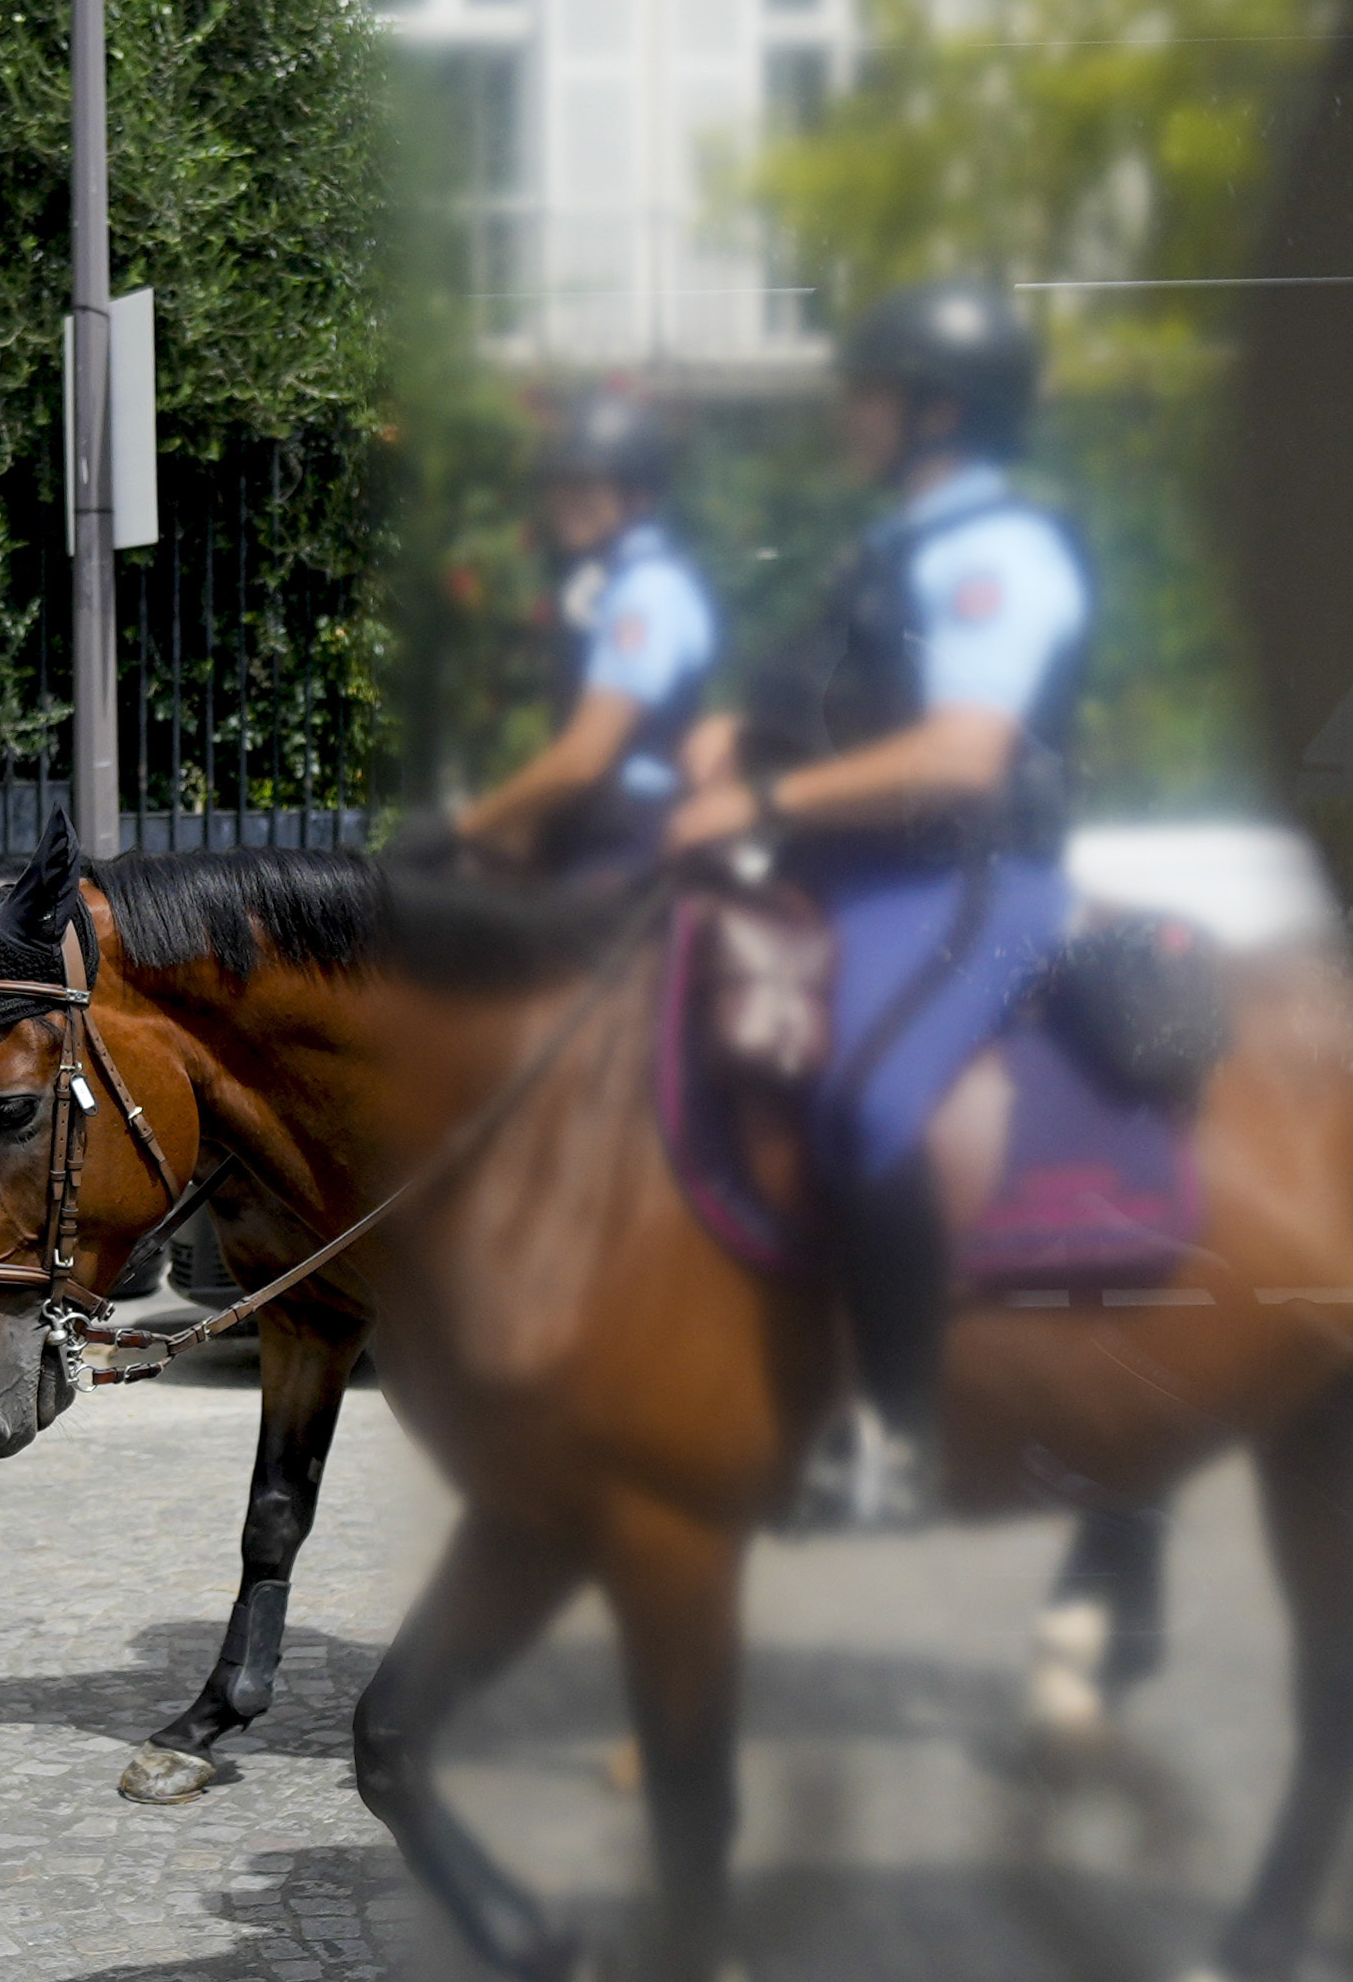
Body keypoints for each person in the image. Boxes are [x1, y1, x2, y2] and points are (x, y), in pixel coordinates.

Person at [669, 279, 1088, 1523]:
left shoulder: (995, 558)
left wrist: (766, 800)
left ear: (939, 412)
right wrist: (733, 739)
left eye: (872, 392)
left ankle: (898, 1434)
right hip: (853, 872)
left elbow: (960, 755)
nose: (848, 412)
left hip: (968, 878)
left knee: (864, 1095)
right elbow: (840, 706)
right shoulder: (894, 549)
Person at [444, 386, 716, 873]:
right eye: (558, 483)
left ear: (638, 495)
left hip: (631, 838)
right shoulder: (605, 582)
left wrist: (464, 827)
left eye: (587, 485)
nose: (565, 499)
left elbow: (586, 758)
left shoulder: (648, 590)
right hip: (588, 824)